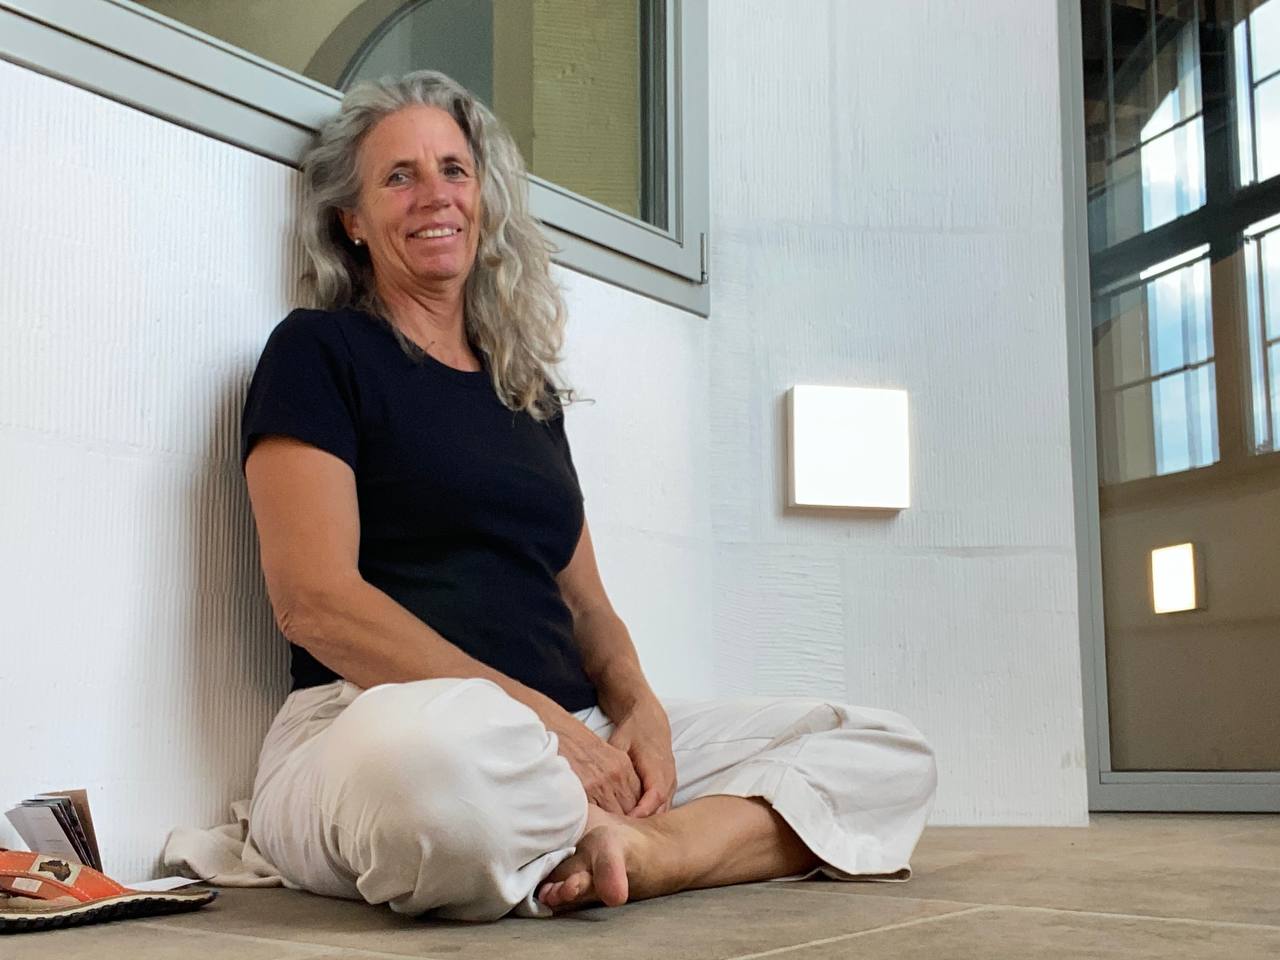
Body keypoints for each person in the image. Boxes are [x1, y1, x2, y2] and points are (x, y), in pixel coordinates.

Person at [230, 70, 936, 922]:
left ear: (483, 198)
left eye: (454, 170)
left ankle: (647, 853)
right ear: (352, 219)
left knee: (881, 751)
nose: (435, 196)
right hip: (383, 725)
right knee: (434, 776)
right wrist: (538, 726)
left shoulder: (524, 389)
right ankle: (614, 836)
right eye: (399, 177)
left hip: (569, 733)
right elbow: (315, 604)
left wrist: (639, 709)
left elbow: (587, 605)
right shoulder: (318, 352)